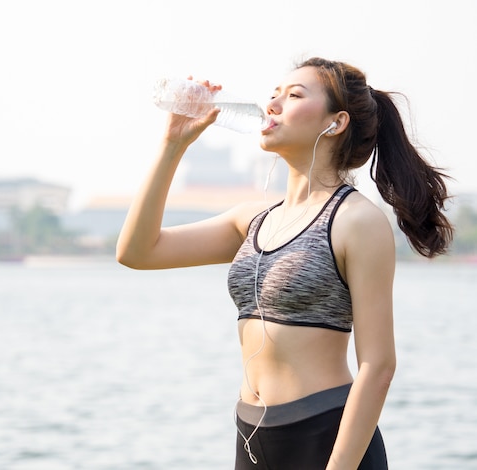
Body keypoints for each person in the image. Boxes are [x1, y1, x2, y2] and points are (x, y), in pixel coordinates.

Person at [116, 57, 453, 469]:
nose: (272, 104)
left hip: (327, 439)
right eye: (274, 94)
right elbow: (137, 252)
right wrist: (173, 145)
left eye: (294, 95)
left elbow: (378, 365)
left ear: (336, 122)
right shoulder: (252, 219)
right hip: (253, 437)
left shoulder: (356, 221)